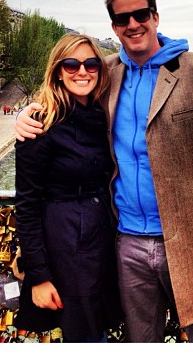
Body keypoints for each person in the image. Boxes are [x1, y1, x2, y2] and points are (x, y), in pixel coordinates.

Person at [15, 0, 193, 343]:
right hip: (125, 241)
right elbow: (65, 100)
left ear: (155, 16)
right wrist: (25, 114)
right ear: (114, 27)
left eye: (140, 14)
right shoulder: (106, 73)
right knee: (138, 340)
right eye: (122, 18)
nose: (132, 24)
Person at [14, 34, 122, 342]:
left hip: (105, 241)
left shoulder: (105, 114)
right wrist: (39, 276)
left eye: (91, 64)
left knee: (98, 327)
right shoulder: (40, 122)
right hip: (68, 247)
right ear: (58, 71)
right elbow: (27, 205)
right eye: (71, 64)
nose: (82, 71)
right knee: (84, 332)